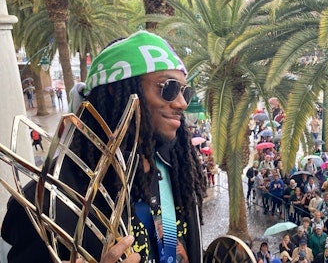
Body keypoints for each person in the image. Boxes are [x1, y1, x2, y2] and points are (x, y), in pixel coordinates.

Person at [2, 31, 206, 262]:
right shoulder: (45, 202)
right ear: (117, 88)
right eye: (168, 88)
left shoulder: (179, 171)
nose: (181, 103)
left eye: (184, 91)